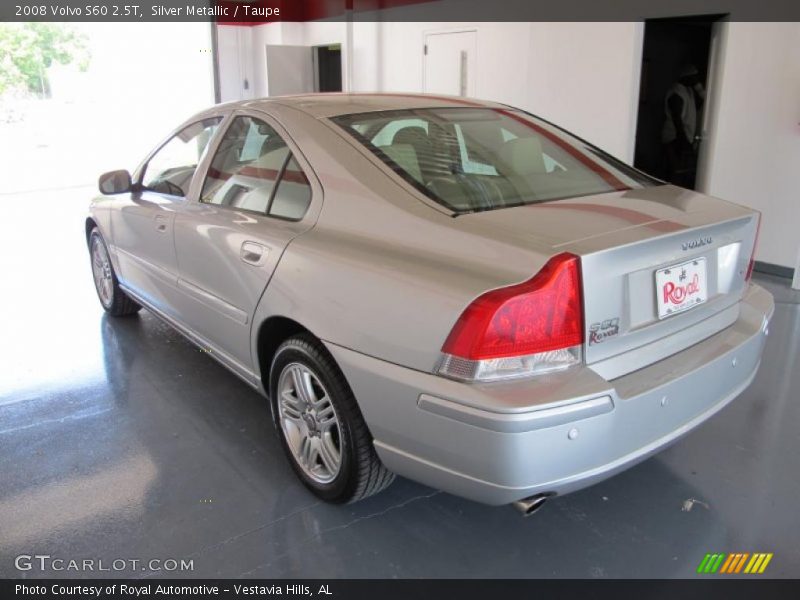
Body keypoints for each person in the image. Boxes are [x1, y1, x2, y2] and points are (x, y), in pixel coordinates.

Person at [661, 64, 706, 188]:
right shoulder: (676, 93)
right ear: (687, 77)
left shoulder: (688, 90)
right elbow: (677, 121)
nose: (697, 80)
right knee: (676, 172)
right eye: (694, 77)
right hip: (674, 138)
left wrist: (699, 89)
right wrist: (684, 142)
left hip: (683, 138)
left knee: (681, 173)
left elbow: (699, 104)